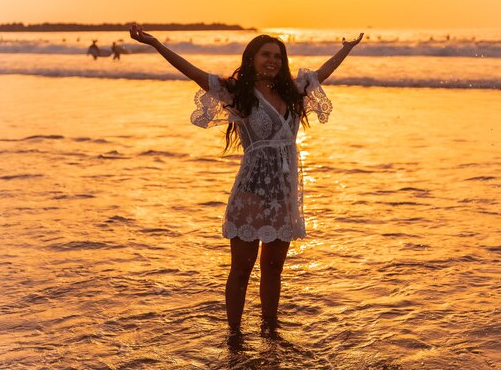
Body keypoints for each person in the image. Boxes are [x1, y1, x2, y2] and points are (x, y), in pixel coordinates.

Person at [129, 23, 363, 343]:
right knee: (241, 269)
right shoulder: (238, 94)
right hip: (251, 191)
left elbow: (324, 71)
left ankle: (270, 330)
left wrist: (347, 48)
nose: (273, 60)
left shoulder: (293, 92)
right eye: (266, 54)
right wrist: (156, 44)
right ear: (251, 58)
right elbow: (194, 72)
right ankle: (235, 335)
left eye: (278, 56)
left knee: (274, 268)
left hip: (284, 193)